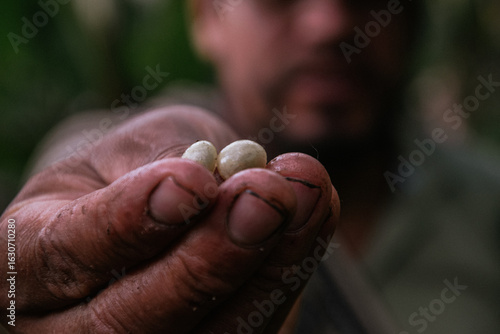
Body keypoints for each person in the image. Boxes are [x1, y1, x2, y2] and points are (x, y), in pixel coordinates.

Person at [1, 0, 500, 333]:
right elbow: (63, 186)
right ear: (206, 19)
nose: (331, 24)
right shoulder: (110, 153)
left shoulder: (487, 200)